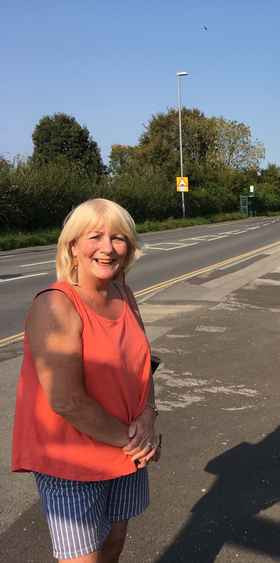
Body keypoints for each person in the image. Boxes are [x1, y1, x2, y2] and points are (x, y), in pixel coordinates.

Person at [12, 198, 160, 562]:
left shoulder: (123, 293)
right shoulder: (56, 305)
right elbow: (66, 401)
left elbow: (144, 362)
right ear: (73, 245)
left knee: (114, 540)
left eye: (119, 238)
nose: (108, 248)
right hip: (72, 457)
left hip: (125, 447)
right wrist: (133, 442)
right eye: (95, 236)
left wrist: (148, 414)